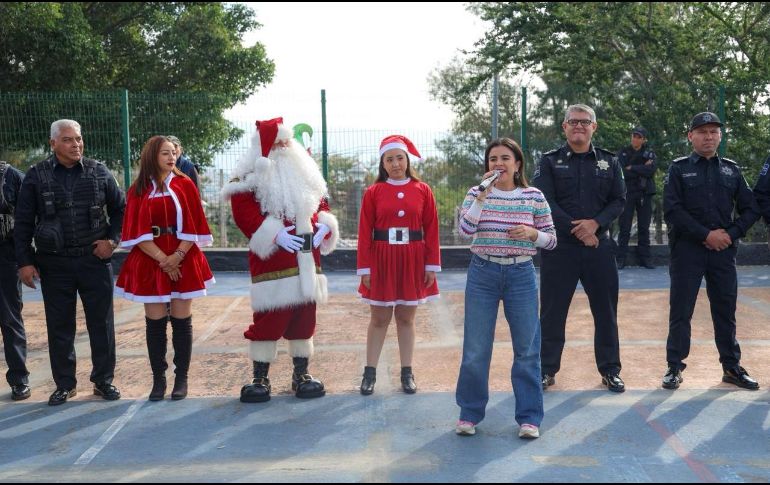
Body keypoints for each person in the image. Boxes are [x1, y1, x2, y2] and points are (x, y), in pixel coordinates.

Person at [223, 117, 339, 403]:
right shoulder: (249, 175)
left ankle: (301, 375)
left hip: (306, 257)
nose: (285, 147)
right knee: (269, 320)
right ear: (265, 147)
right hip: (273, 262)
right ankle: (260, 378)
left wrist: (325, 224)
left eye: (288, 142)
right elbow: (243, 212)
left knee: (304, 318)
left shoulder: (304, 170)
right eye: (279, 143)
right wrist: (274, 236)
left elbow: (321, 201)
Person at [14, 119, 125, 406]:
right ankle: (65, 384)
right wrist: (24, 262)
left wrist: (111, 242)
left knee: (101, 324)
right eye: (67, 140)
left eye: (78, 139)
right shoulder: (36, 177)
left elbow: (122, 210)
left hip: (94, 262)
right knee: (60, 326)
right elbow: (23, 223)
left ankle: (103, 381)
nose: (76, 144)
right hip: (54, 265)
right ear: (53, 144)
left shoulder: (99, 171)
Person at [454, 138, 556, 439]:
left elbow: (551, 240)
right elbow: (464, 231)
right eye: (493, 158)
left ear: (517, 164)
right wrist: (482, 197)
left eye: (505, 158)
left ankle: (529, 418)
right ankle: (469, 414)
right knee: (475, 349)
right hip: (482, 273)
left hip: (521, 274)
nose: (498, 164)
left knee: (526, 349)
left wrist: (532, 233)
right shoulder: (476, 193)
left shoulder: (533, 196)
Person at [532, 104, 627, 393]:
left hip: (598, 247)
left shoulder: (610, 162)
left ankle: (610, 370)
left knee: (606, 312)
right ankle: (546, 370)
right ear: (564, 127)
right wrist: (580, 229)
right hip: (560, 248)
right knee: (552, 312)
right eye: (573, 122)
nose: (579, 126)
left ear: (593, 127)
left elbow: (619, 201)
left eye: (585, 122)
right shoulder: (549, 162)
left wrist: (594, 225)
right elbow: (543, 201)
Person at [662, 112, 760, 391]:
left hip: (723, 253)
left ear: (720, 136)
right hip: (687, 251)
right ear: (690, 136)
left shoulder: (732, 170)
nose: (709, 137)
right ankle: (673, 366)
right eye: (702, 131)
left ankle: (731, 367)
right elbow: (672, 210)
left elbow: (751, 208)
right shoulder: (678, 169)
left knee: (725, 310)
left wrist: (730, 234)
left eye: (714, 132)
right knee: (681, 310)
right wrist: (706, 235)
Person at [115, 136, 214, 401]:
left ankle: (181, 379)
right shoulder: (138, 189)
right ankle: (158, 380)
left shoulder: (185, 185)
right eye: (164, 154)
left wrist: (178, 256)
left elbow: (195, 224)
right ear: (151, 157)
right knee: (155, 323)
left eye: (173, 153)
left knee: (182, 322)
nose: (171, 158)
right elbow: (136, 231)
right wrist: (164, 259)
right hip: (151, 261)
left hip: (185, 258)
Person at [356, 135, 441, 396]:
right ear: (382, 163)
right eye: (389, 159)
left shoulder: (423, 189)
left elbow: (431, 229)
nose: (395, 164)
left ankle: (407, 373)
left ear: (407, 160)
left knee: (406, 318)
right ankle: (370, 373)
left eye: (399, 158)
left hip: (413, 259)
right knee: (379, 318)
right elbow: (364, 232)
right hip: (382, 259)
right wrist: (366, 268)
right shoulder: (374, 192)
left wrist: (431, 266)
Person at [0, 161, 30, 400]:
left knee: (10, 319)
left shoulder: (11, 177)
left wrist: (25, 260)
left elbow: (25, 223)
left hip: (5, 257)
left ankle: (19, 379)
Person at [616, 126, 657, 269]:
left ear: (644, 139)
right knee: (624, 227)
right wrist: (641, 168)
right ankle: (620, 258)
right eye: (634, 135)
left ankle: (645, 258)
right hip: (627, 193)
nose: (636, 139)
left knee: (644, 227)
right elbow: (620, 172)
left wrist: (632, 168)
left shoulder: (649, 153)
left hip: (645, 193)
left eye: (639, 137)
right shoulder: (623, 152)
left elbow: (651, 171)